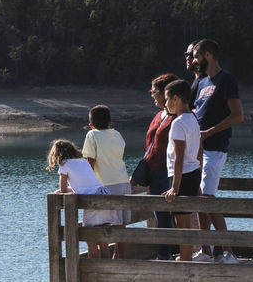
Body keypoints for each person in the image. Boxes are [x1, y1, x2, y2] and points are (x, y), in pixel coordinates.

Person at [186, 38, 244, 255]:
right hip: (198, 149)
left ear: (208, 55)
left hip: (215, 148)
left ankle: (228, 252)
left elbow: (238, 115)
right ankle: (206, 251)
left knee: (208, 199)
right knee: (200, 199)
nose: (194, 60)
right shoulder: (202, 82)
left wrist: (209, 132)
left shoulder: (225, 79)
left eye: (196, 57)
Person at [135, 73, 181, 241]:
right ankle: (165, 252)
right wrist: (138, 173)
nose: (152, 95)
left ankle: (180, 251)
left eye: (154, 91)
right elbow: (151, 145)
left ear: (165, 93)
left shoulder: (178, 118)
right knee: (160, 218)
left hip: (168, 173)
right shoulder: (158, 115)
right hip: (153, 173)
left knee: (175, 216)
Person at [161, 79, 202, 260]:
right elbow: (198, 150)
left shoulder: (178, 123)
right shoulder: (193, 118)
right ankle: (187, 260)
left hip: (182, 175)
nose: (165, 104)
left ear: (176, 99)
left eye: (167, 99)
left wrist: (174, 188)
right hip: (192, 173)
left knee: (182, 224)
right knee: (186, 223)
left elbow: (179, 157)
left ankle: (186, 264)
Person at [47, 138, 110, 256]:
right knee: (102, 237)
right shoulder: (83, 161)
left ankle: (95, 265)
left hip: (93, 200)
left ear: (57, 154)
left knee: (89, 237)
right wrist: (68, 190)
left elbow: (64, 190)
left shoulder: (64, 165)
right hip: (105, 194)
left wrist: (59, 191)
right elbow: (84, 184)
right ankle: (107, 265)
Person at [81, 105, 128, 234]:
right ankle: (121, 248)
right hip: (124, 183)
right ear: (110, 122)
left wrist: (85, 184)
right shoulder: (117, 134)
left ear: (91, 125)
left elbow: (90, 161)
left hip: (106, 185)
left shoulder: (92, 134)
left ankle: (102, 248)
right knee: (120, 224)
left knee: (95, 225)